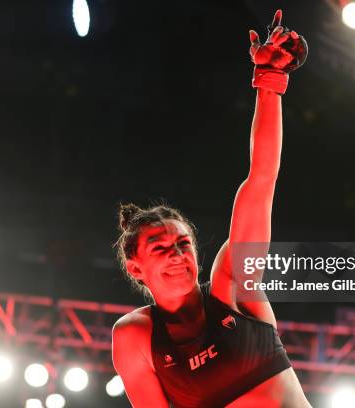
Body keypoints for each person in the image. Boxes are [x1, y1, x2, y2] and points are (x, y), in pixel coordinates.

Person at [112, 8, 311, 408]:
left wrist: (270, 84)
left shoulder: (232, 285)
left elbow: (261, 179)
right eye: (160, 248)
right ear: (135, 268)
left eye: (183, 244)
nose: (177, 255)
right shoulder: (135, 337)